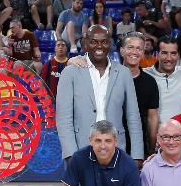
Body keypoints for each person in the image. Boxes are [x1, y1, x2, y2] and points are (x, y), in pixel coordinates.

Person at [56, 25, 143, 160]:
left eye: (104, 41)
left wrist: (137, 155)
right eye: (94, 42)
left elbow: (133, 117)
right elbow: (63, 118)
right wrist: (70, 153)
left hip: (116, 149)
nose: (99, 46)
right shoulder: (70, 72)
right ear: (86, 43)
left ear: (110, 43)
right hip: (81, 149)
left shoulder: (123, 73)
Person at [144, 37, 181, 122]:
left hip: (180, 133)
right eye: (164, 53)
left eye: (173, 53)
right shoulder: (145, 75)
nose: (169, 58)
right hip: (152, 133)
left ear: (178, 56)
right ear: (156, 54)